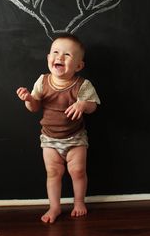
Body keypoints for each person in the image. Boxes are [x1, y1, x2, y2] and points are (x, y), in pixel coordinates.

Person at [16, 33, 100, 223]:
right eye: (55, 52)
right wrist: (29, 99)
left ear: (79, 66)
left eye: (67, 55)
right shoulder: (42, 81)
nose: (60, 57)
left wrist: (82, 105)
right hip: (50, 139)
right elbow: (34, 108)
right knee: (53, 173)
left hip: (75, 137)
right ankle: (54, 207)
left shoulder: (82, 85)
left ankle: (79, 202)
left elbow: (93, 106)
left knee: (78, 171)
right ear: (48, 59)